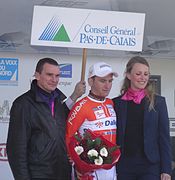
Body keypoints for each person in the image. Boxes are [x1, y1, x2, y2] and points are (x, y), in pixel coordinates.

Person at [6, 57, 86, 180]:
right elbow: (16, 150)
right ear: (37, 75)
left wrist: (75, 95)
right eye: (49, 75)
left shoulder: (56, 100)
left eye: (57, 75)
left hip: (62, 172)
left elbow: (58, 118)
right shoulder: (23, 104)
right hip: (38, 174)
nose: (54, 80)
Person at [113, 56, 172, 180]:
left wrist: (166, 169)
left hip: (150, 165)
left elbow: (164, 138)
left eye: (146, 74)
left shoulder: (158, 102)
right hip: (124, 165)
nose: (143, 77)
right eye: (138, 74)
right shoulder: (117, 103)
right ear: (128, 75)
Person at [66, 62, 118, 180]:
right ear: (90, 82)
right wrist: (76, 164)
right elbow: (68, 136)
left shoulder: (110, 103)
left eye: (110, 81)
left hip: (111, 166)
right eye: (102, 81)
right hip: (89, 168)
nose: (107, 86)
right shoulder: (81, 106)